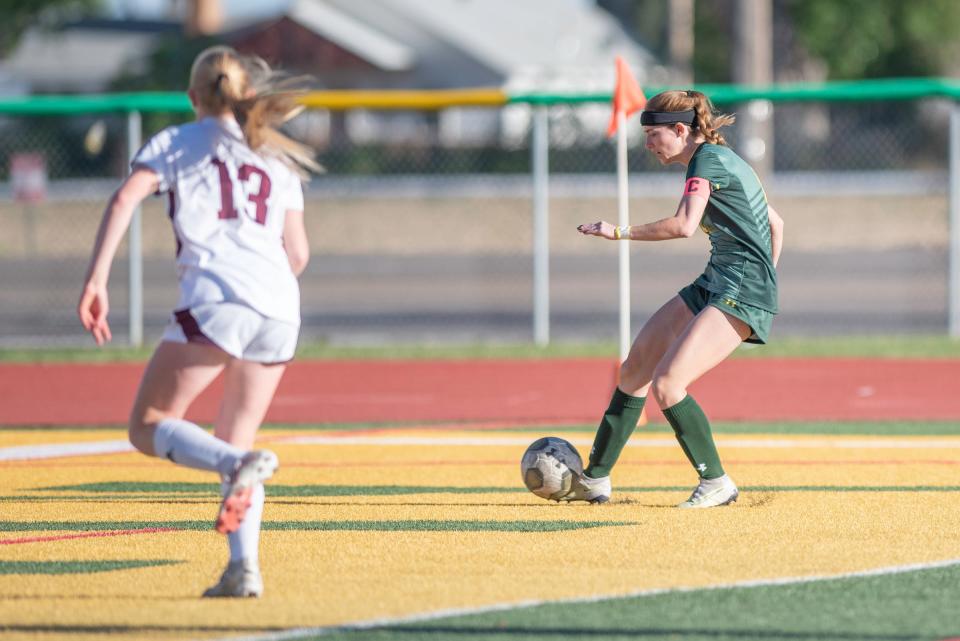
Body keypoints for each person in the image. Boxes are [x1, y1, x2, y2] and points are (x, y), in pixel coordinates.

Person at [77, 46, 319, 596]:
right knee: (236, 438)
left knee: (149, 425)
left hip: (219, 296)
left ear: (193, 98)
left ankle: (238, 465)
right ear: (247, 96)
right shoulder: (274, 156)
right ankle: (244, 569)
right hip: (281, 305)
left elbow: (124, 199)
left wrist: (96, 280)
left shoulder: (177, 143)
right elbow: (298, 255)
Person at [572, 89, 784, 508]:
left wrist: (618, 232)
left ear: (680, 130)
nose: (648, 143)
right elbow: (776, 224)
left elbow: (685, 225)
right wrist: (766, 272)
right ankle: (594, 479)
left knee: (668, 384)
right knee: (635, 369)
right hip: (718, 280)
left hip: (740, 289)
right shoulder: (720, 159)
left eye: (653, 134)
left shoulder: (707, 161)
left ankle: (716, 483)